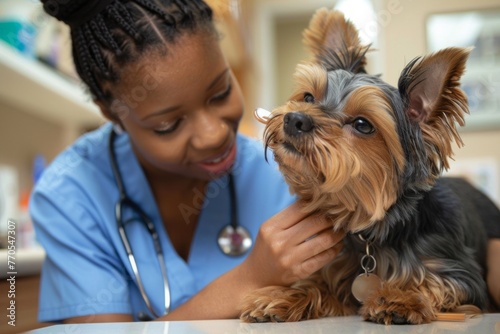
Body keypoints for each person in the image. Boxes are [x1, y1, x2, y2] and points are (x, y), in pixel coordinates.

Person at [31, 0, 344, 324]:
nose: (213, 134)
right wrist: (250, 279)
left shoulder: (285, 172)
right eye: (168, 125)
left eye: (220, 92)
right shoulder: (69, 195)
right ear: (113, 114)